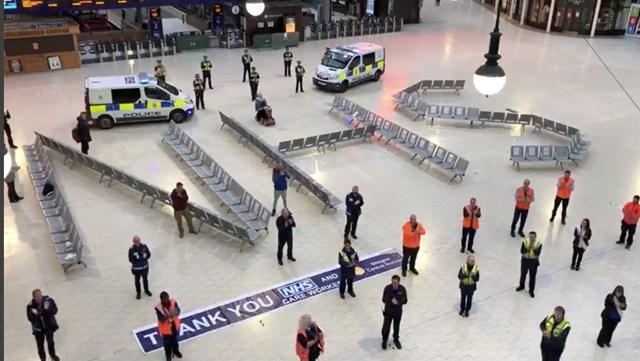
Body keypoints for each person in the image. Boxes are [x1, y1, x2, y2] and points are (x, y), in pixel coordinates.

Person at [26, 289, 60, 361]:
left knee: (50, 341)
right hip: (38, 329)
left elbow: (55, 310)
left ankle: (52, 355)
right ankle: (42, 358)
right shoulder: (30, 306)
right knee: (40, 344)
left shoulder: (48, 301)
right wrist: (38, 315)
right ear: (33, 297)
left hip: (49, 326)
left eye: (40, 295)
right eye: (37, 296)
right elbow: (30, 318)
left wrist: (46, 312)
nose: (39, 298)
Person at [381, 275, 407, 350]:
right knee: (386, 327)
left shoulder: (402, 289)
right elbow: (383, 299)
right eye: (392, 282)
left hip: (397, 313)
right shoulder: (387, 288)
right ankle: (384, 340)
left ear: (399, 282)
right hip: (388, 312)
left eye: (395, 282)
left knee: (396, 326)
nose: (394, 284)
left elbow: (405, 300)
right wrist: (390, 301)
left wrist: (398, 302)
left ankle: (396, 339)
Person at [155, 291, 182, 361]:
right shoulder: (158, 308)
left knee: (175, 341)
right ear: (161, 300)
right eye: (164, 299)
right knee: (167, 344)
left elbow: (178, 311)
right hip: (166, 330)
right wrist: (168, 315)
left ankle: (176, 351)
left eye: (167, 298)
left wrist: (175, 313)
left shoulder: (173, 302)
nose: (166, 300)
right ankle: (168, 356)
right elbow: (161, 319)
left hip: (174, 326)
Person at [516, 231, 542, 298]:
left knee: (532, 276)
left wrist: (533, 249)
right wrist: (527, 249)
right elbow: (522, 251)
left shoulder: (538, 244)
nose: (531, 238)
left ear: (535, 237)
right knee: (523, 274)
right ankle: (521, 286)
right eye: (530, 237)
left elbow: (537, 253)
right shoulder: (525, 242)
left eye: (533, 237)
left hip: (533, 262)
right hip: (525, 260)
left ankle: (531, 291)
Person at [129, 235, 152, 299]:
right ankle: (138, 292)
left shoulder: (144, 247)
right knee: (137, 280)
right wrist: (137, 262)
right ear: (133, 242)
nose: (137, 242)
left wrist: (144, 260)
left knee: (145, 279)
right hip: (136, 269)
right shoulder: (131, 250)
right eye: (136, 241)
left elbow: (149, 254)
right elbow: (130, 259)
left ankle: (146, 290)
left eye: (138, 241)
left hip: (145, 267)